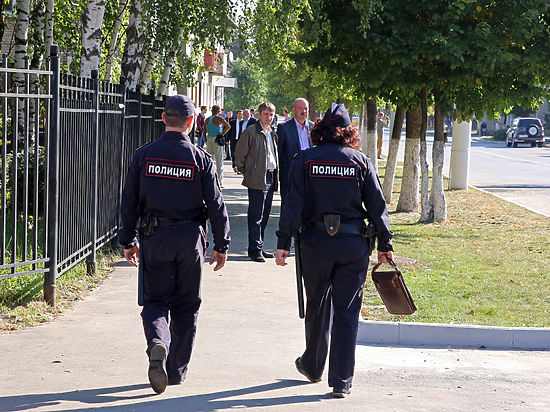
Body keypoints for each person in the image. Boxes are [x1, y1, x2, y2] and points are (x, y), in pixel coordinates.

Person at [275, 103, 393, 398]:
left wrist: (282, 242)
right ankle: (341, 381)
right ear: (349, 132)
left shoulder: (304, 160)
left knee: (316, 305)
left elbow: (293, 204)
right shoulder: (361, 162)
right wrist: (385, 245)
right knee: (347, 311)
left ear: (319, 131)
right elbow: (378, 207)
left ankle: (313, 367)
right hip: (353, 245)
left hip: (315, 244)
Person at [119, 94, 230, 395]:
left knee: (156, 300)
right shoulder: (200, 159)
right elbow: (217, 206)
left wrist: (128, 241)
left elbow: (129, 202)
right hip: (190, 239)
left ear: (164, 119)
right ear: (192, 122)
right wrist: (222, 245)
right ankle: (177, 370)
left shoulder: (144, 156)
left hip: (155, 236)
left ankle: (157, 342)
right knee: (186, 304)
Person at [234, 102, 279, 262]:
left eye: (271, 114)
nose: (268, 117)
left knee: (265, 214)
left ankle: (260, 245)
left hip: (271, 176)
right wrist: (247, 171)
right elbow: (239, 155)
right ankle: (254, 250)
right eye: (265, 114)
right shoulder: (251, 131)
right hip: (257, 178)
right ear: (259, 114)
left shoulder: (272, 132)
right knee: (256, 215)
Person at [277, 98, 314, 206]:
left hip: (310, 177)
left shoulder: (314, 128)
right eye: (300, 108)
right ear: (294, 110)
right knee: (288, 208)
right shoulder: (284, 128)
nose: (304, 111)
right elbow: (279, 153)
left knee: (309, 208)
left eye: (306, 108)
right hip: (290, 177)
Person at [204, 105, 231, 188]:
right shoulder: (219, 119)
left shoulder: (208, 119)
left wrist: (206, 140)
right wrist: (222, 133)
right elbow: (228, 126)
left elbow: (204, 131)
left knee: (209, 161)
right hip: (217, 140)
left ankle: (209, 181)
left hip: (209, 139)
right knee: (219, 161)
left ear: (212, 111)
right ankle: (220, 182)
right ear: (218, 111)